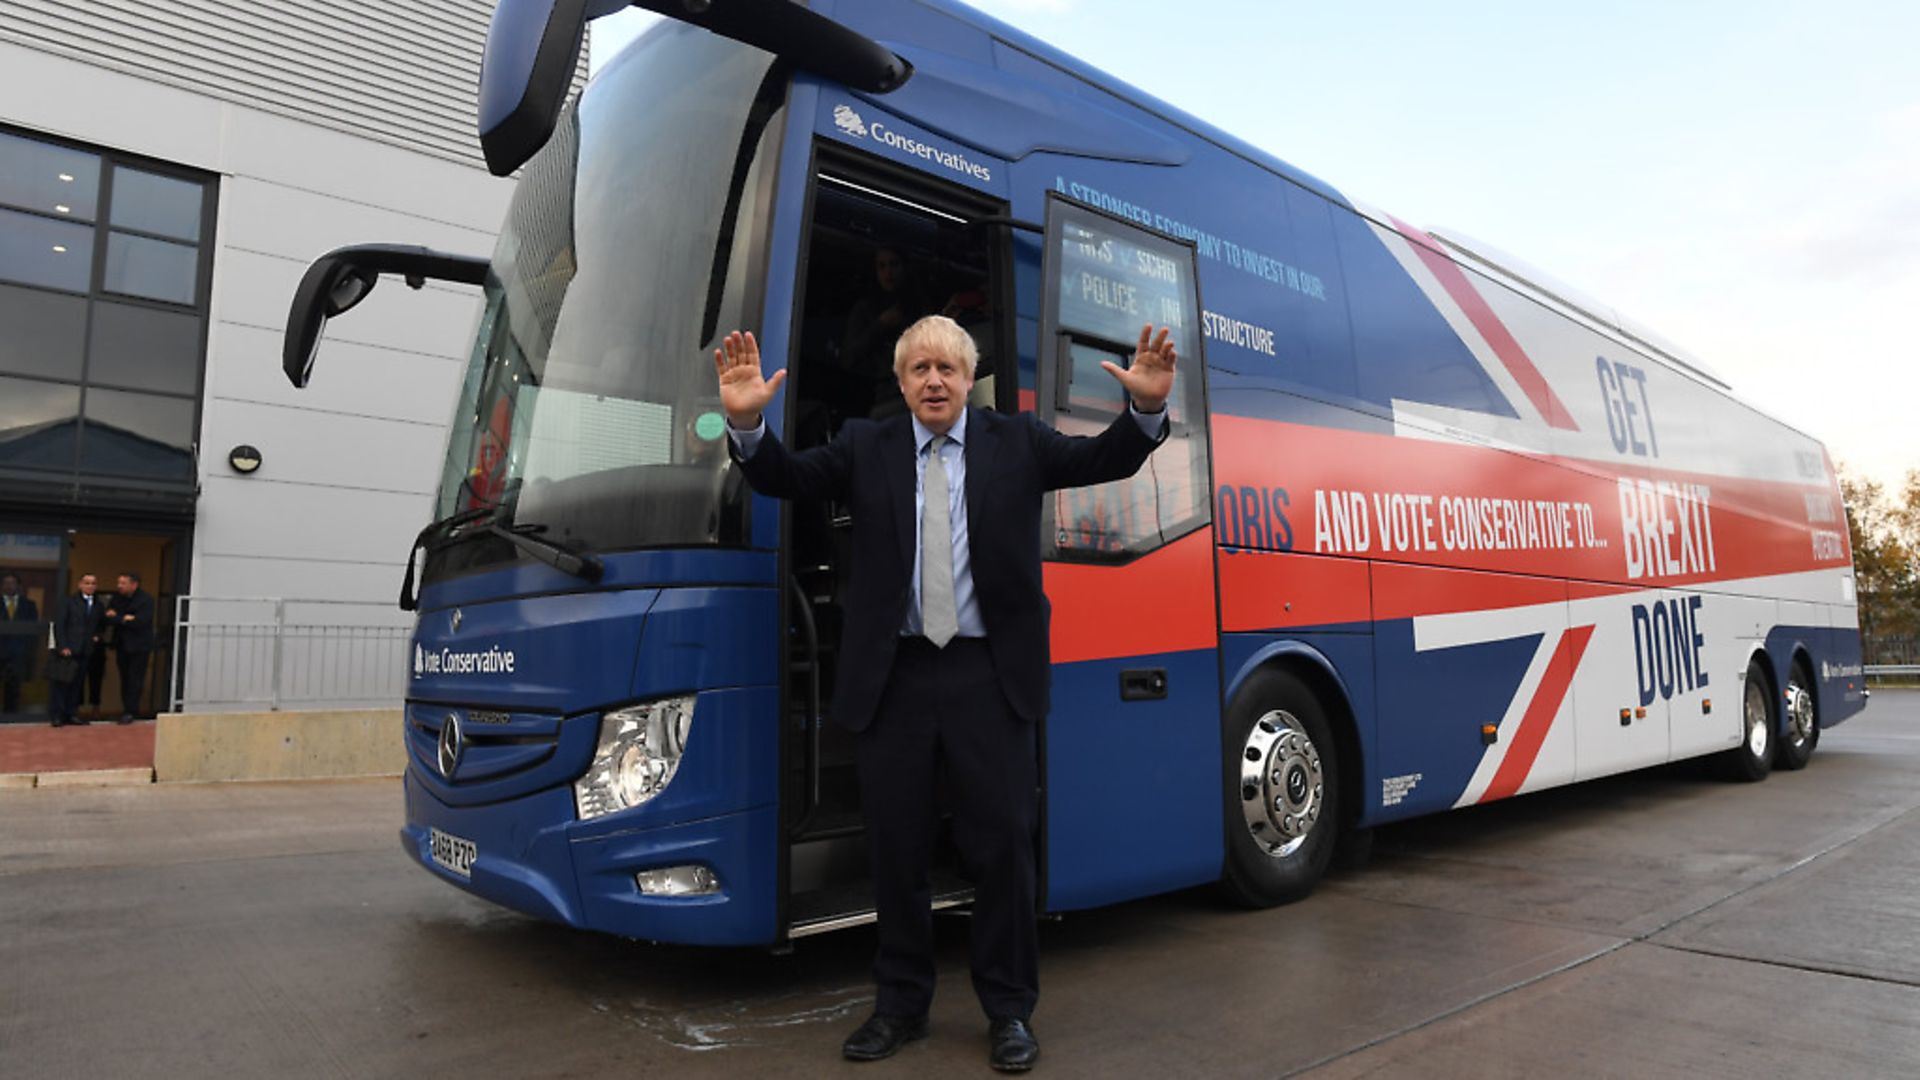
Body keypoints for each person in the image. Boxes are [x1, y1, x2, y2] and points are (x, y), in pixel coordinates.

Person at [713, 315, 1176, 1072]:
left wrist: (1146, 412)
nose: (934, 380)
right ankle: (899, 1005)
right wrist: (748, 425)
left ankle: (1009, 1011)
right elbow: (786, 479)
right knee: (896, 851)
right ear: (901, 383)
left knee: (1001, 852)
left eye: (948, 369)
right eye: (919, 368)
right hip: (893, 679)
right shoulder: (867, 445)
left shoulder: (1017, 442)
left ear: (969, 381)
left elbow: (1104, 460)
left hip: (988, 676)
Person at [50, 574, 105, 727]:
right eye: (87, 583)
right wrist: (63, 646)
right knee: (62, 683)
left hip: (85, 650)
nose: (90, 586)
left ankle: (71, 714)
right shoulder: (68, 602)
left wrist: (97, 636)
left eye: (93, 583)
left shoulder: (98, 605)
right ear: (80, 584)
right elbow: (59, 625)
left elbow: (101, 625)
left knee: (77, 684)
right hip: (69, 649)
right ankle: (57, 715)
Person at [102, 571, 154, 723]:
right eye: (119, 583)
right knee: (124, 678)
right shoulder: (118, 598)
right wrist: (124, 618)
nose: (119, 586)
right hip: (122, 645)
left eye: (123, 583)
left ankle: (132, 711)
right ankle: (127, 710)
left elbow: (140, 622)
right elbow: (108, 617)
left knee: (135, 679)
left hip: (139, 647)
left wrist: (119, 617)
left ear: (134, 584)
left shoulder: (146, 600)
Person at [1, 571, 41, 716]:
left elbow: (33, 629)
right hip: (1, 650)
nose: (9, 586)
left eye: (12, 583)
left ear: (18, 585)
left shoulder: (28, 605)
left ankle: (10, 715)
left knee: (14, 686)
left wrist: (28, 651)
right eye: (6, 583)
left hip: (18, 652)